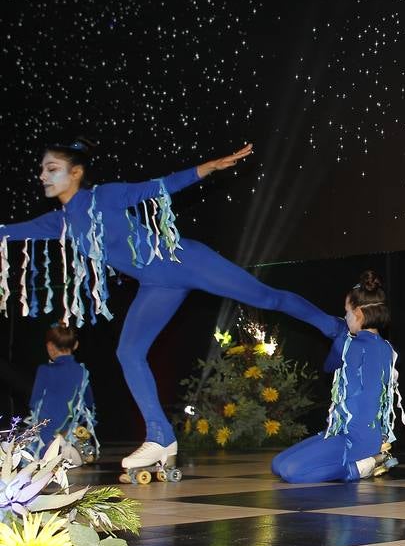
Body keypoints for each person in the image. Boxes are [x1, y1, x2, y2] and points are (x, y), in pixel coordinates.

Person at [0, 139, 345, 477]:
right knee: (129, 351)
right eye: (42, 170)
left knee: (268, 298)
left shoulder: (103, 196)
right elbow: (10, 231)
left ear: (75, 172)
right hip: (157, 285)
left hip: (184, 260)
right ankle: (160, 436)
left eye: (52, 169)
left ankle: (334, 327)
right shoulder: (59, 222)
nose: (43, 176)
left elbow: (158, 187)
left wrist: (206, 168)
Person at [271, 271, 405, 483]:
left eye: (347, 312)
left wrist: (339, 341)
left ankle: (360, 467)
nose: (345, 317)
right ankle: (363, 458)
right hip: (342, 432)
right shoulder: (368, 344)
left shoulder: (364, 347)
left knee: (291, 471)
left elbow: (336, 372)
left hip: (356, 439)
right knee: (278, 464)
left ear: (359, 314)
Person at [26, 323, 97, 465]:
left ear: (50, 346)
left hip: (47, 429)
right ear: (75, 345)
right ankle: (70, 446)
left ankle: (53, 448)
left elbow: (34, 403)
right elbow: (89, 404)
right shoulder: (82, 372)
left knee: (25, 448)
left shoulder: (45, 370)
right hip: (69, 428)